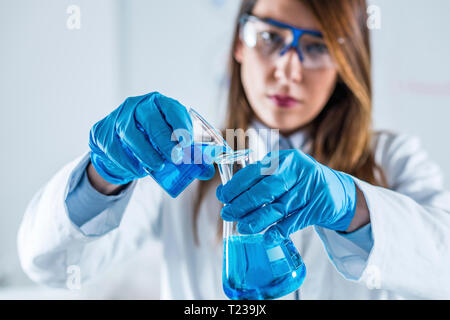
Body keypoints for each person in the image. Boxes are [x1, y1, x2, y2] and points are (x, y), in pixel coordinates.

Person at [18, 0, 450, 299]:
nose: (286, 68)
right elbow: (53, 266)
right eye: (269, 37)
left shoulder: (393, 158)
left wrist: (351, 204)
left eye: (317, 47)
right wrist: (104, 175)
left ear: (346, 63)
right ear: (239, 44)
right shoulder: (185, 157)